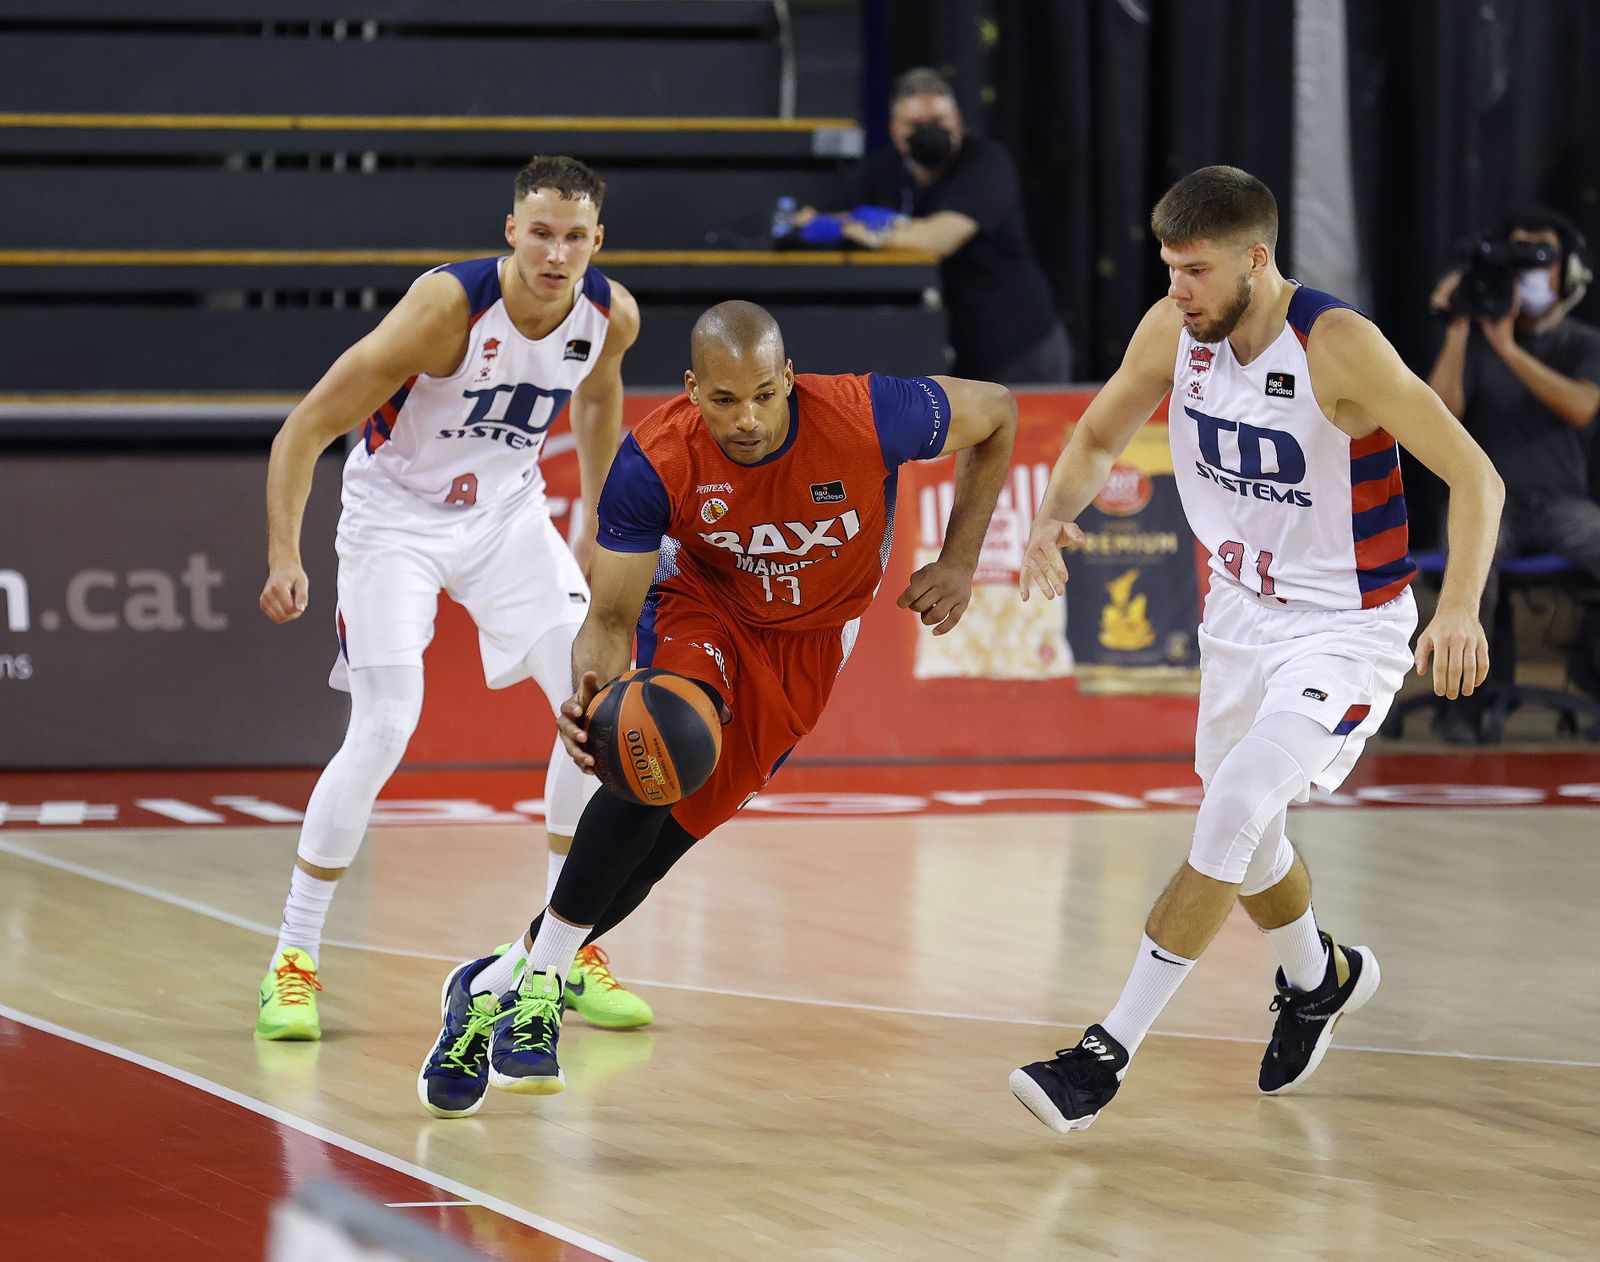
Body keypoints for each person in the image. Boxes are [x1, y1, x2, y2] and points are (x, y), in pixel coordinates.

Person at [412, 300, 1018, 1118]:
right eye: (726, 400)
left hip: (809, 646)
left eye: (765, 395)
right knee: (658, 754)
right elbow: (610, 618)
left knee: (650, 861)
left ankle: (489, 982)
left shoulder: (872, 414)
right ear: (693, 390)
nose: (749, 418)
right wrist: (588, 692)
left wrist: (959, 558)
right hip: (704, 609)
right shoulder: (655, 460)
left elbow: (1000, 414)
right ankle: (546, 986)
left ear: (789, 378)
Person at [1008, 166, 1504, 1134]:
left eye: (1194, 269)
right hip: (1239, 616)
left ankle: (1100, 1056)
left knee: (1234, 804)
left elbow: (1475, 477)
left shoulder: (1337, 346)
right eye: (1167, 267)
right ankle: (1320, 978)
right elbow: (1099, 432)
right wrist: (1047, 518)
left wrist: (1459, 608)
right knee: (1249, 828)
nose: (1176, 287)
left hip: (1344, 626)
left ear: (1256, 258)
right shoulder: (1170, 330)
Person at [255, 155, 654, 1045]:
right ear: (511, 231)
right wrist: (285, 550)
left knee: (590, 701)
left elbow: (598, 404)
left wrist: (602, 525)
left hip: (508, 517)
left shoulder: (608, 315)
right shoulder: (446, 311)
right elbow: (307, 427)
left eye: (575, 237)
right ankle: (294, 957)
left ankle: (563, 947)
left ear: (598, 241)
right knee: (387, 724)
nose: (556, 253)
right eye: (541, 233)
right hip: (395, 519)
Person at [1427, 208, 1600, 724]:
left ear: (1564, 272)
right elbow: (1437, 415)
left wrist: (1508, 348)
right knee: (1473, 565)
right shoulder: (1475, 341)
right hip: (1486, 505)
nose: (1528, 274)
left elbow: (1580, 406)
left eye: (1540, 258)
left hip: (1562, 504)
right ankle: (1463, 706)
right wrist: (1459, 328)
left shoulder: (1581, 342)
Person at [797, 67, 1069, 384]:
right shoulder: (884, 170)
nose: (929, 131)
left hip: (1018, 345)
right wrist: (840, 222)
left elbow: (939, 239)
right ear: (895, 131)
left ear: (958, 121)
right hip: (946, 349)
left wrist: (858, 228)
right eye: (916, 125)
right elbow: (810, 217)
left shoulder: (987, 163)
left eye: (939, 121)